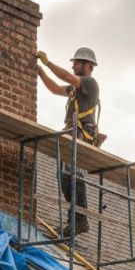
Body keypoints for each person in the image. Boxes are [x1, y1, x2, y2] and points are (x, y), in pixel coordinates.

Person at [36, 47, 101, 235]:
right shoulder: (75, 88)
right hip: (70, 134)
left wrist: (47, 63)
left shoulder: (90, 83)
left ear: (87, 66)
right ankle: (74, 219)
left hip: (81, 136)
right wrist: (40, 73)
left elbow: (66, 77)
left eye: (77, 63)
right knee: (63, 176)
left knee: (73, 175)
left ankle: (80, 221)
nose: (73, 65)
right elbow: (56, 89)